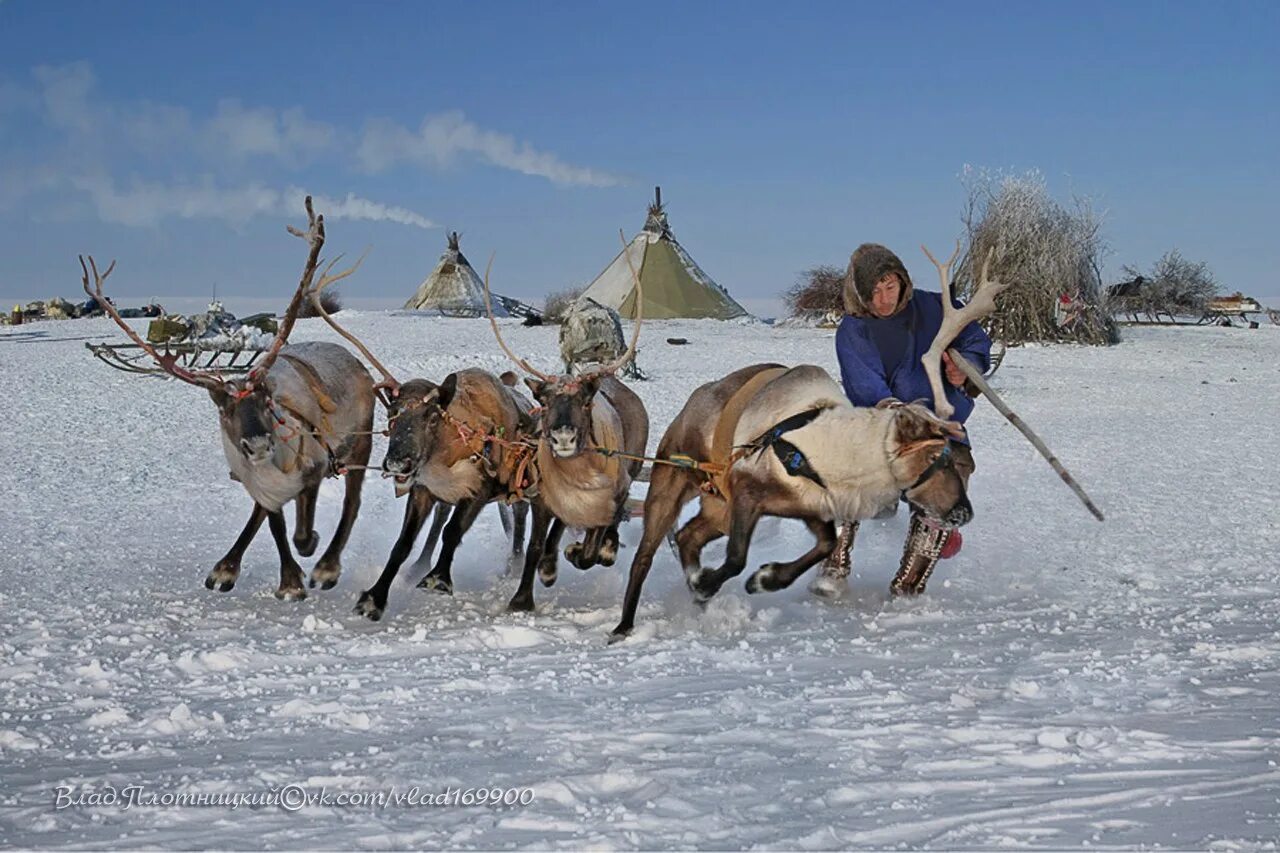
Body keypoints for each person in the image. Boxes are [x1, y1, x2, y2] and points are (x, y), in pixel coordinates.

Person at [810, 243, 992, 599]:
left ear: (902, 281)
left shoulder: (934, 307)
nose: (883, 299)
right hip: (878, 427)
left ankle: (909, 586)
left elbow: (973, 337)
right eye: (874, 291)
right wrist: (898, 414)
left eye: (889, 287)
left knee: (951, 475)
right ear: (861, 293)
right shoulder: (854, 327)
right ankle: (832, 569)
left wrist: (965, 367)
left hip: (940, 425)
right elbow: (864, 382)